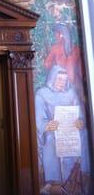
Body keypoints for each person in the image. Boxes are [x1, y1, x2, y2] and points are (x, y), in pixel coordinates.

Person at [35, 66, 90, 194]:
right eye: (59, 79)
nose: (62, 82)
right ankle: (54, 181)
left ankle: (82, 176)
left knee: (85, 135)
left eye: (64, 80)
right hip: (52, 129)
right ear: (52, 78)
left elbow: (80, 115)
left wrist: (80, 122)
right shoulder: (42, 94)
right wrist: (47, 125)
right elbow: (39, 119)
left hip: (70, 128)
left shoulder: (71, 93)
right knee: (50, 140)